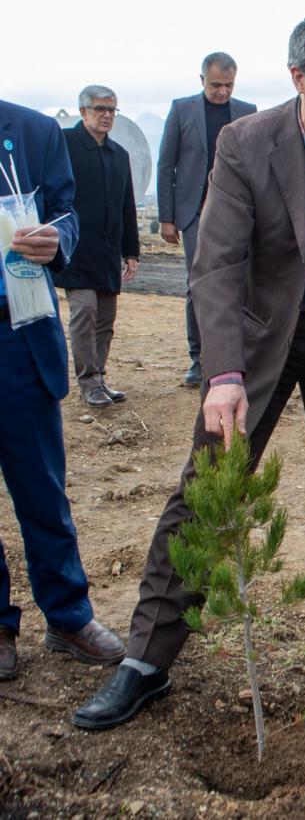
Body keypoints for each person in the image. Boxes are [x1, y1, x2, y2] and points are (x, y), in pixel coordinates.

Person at [72, 11, 305, 729]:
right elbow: (216, 264)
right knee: (207, 487)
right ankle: (146, 661)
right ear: (299, 77)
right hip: (261, 337)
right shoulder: (245, 142)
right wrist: (223, 374)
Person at [0, 99, 125, 681]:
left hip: (18, 335)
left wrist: (57, 238)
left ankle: (68, 616)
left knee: (42, 489)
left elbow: (66, 211)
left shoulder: (32, 131)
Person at [157, 52, 256, 387]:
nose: (222, 91)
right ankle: (200, 359)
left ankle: (240, 356)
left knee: (243, 285)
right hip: (195, 213)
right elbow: (166, 164)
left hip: (238, 214)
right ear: (202, 80)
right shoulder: (181, 110)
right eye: (215, 85)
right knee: (199, 285)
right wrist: (167, 217)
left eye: (228, 85)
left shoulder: (248, 113)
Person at [52, 85, 140, 408]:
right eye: (100, 109)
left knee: (105, 318)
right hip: (76, 250)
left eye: (111, 109)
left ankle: (99, 377)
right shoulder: (64, 145)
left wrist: (131, 251)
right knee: (85, 313)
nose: (107, 115)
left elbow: (127, 206)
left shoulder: (120, 155)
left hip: (107, 251)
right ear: (83, 111)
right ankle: (88, 381)